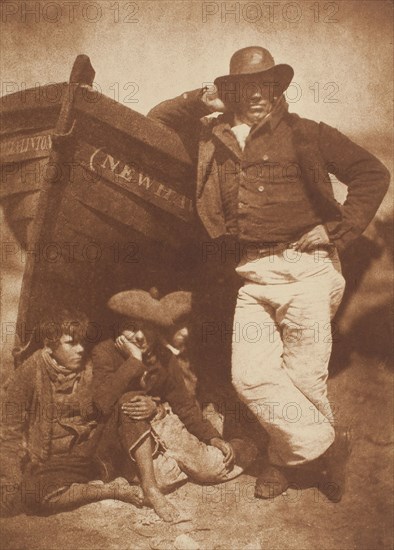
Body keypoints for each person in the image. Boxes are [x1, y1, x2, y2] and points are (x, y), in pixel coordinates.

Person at [148, 46, 390, 501]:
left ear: (278, 90)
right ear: (232, 92)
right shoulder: (212, 135)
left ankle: (282, 463)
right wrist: (201, 99)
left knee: (304, 375)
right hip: (253, 272)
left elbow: (371, 173)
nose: (258, 94)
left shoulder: (308, 134)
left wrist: (335, 229)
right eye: (246, 87)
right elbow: (157, 122)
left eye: (266, 85)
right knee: (252, 376)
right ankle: (327, 446)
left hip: (308, 270)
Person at [91, 289, 256, 522]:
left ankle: (244, 443)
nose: (139, 336)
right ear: (118, 328)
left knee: (210, 468)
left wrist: (212, 438)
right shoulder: (104, 352)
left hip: (161, 423)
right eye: (130, 326)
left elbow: (184, 404)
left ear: (157, 331)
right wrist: (134, 361)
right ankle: (155, 484)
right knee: (163, 475)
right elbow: (101, 403)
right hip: (124, 435)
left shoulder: (162, 356)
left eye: (146, 327)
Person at [0, 308, 143, 516]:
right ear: (49, 346)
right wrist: (11, 485)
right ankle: (107, 490)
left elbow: (110, 395)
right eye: (71, 343)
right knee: (34, 494)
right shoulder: (30, 372)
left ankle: (109, 485)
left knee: (123, 403)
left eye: (82, 342)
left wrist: (136, 364)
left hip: (89, 451)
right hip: (50, 460)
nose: (80, 349)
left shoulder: (89, 367)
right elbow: (9, 436)